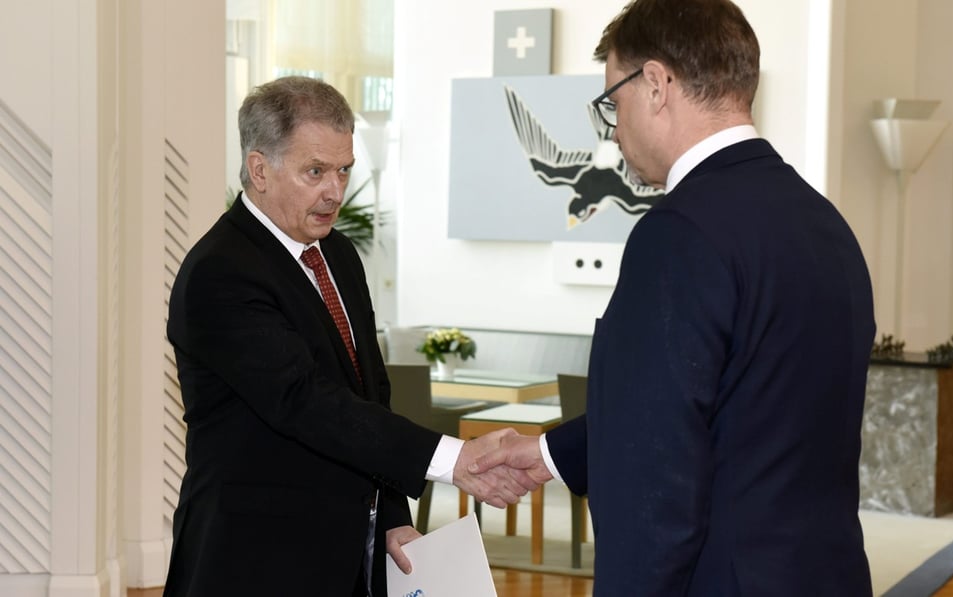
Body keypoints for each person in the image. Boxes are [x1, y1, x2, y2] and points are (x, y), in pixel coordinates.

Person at [474, 0, 876, 594]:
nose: (613, 127)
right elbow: (740, 409)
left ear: (657, 83)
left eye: (613, 101)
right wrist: (551, 455)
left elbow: (655, 481)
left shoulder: (679, 232)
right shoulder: (825, 223)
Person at [164, 76, 533, 597]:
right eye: (315, 171)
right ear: (259, 169)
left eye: (343, 170)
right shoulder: (220, 272)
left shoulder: (335, 253)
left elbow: (368, 396)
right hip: (255, 559)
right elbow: (306, 402)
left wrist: (392, 518)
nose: (335, 192)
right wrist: (455, 459)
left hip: (347, 558)